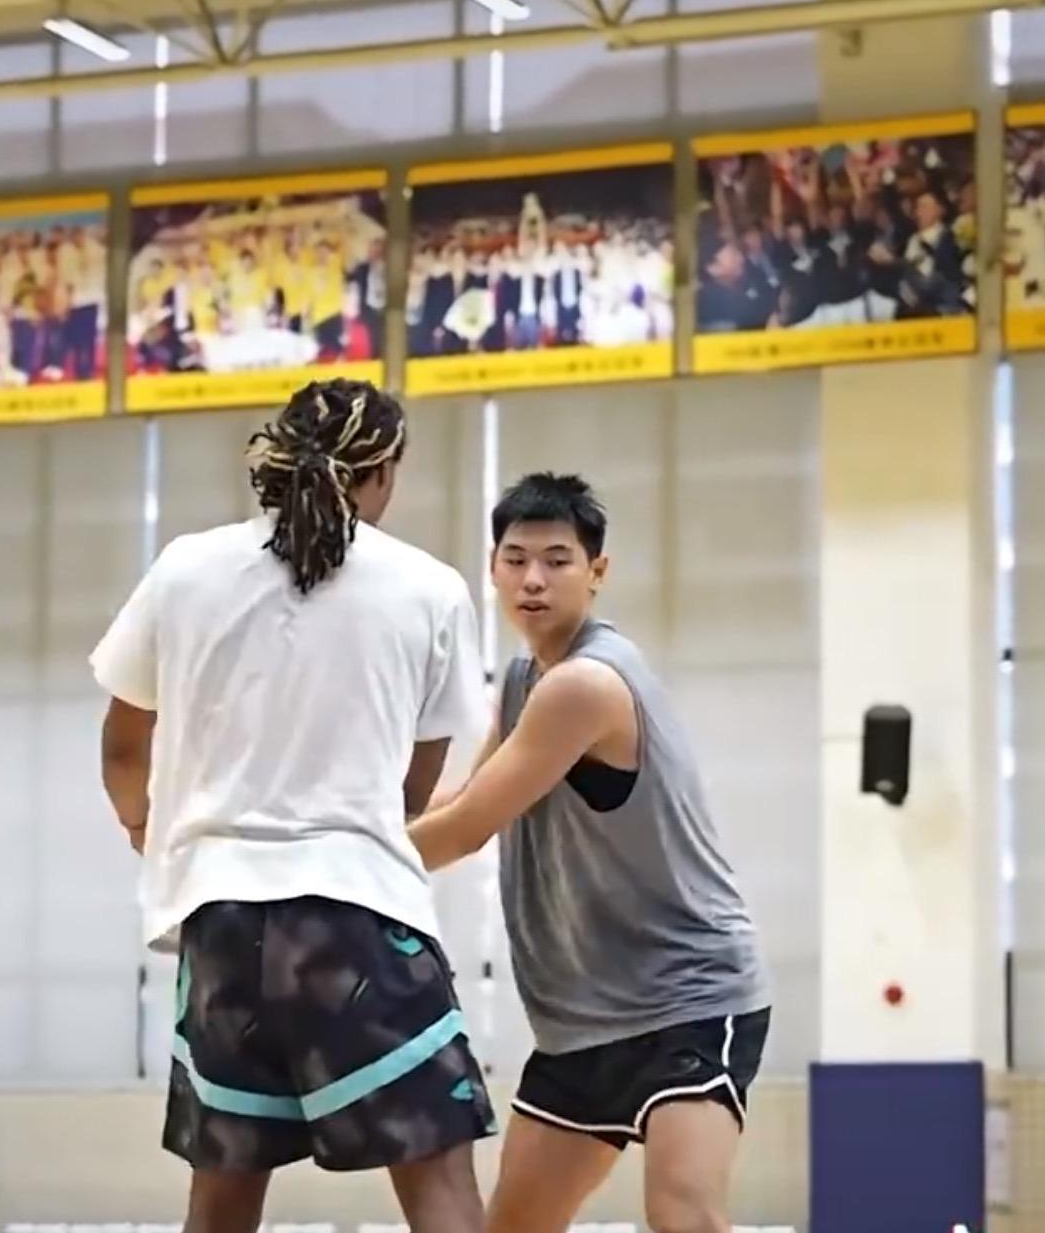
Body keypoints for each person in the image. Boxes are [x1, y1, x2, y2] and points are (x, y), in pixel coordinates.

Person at [89, 378, 495, 1233]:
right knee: (439, 1185)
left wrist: (149, 829)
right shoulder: (429, 587)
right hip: (359, 915)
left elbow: (124, 747)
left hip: (221, 923)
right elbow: (412, 788)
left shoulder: (185, 568)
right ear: (381, 470)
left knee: (223, 1197)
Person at [408, 472, 771, 1233]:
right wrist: (353, 830)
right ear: (493, 567)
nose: (533, 579)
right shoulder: (523, 678)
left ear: (597, 571)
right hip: (581, 1020)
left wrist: (335, 871)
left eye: (557, 560)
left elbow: (470, 826)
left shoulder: (585, 684)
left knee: (683, 1215)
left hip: (687, 996)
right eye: (515, 560)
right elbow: (464, 799)